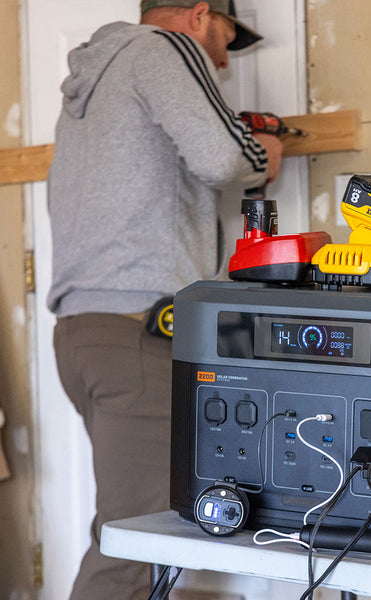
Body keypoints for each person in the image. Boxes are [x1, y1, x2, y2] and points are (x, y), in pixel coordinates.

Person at [46, 1, 283, 598]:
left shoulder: (91, 87)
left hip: (88, 334)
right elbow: (224, 157)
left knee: (140, 538)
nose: (223, 60)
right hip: (139, 335)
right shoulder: (162, 48)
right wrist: (263, 154)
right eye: (227, 38)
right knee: (130, 547)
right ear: (200, 15)